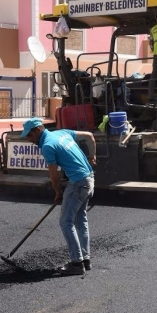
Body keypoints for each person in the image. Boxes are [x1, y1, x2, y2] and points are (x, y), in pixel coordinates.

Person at [21, 117, 96, 276]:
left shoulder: (48, 145)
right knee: (80, 219)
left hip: (78, 184)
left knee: (66, 222)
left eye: (30, 135)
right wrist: (92, 157)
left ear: (38, 130)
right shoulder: (62, 133)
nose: (29, 139)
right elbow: (90, 136)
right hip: (90, 179)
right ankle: (85, 259)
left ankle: (77, 263)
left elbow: (54, 176)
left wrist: (58, 192)